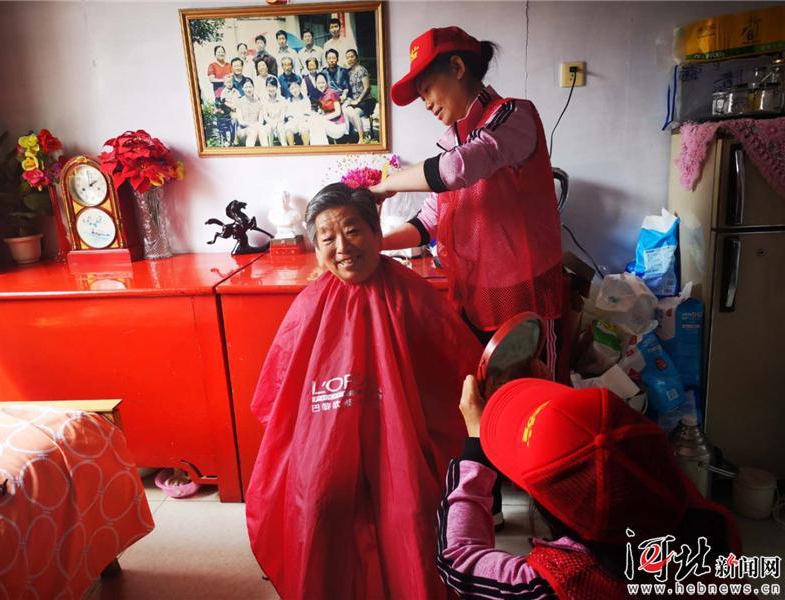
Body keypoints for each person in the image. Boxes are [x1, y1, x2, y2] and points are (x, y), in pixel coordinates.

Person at [245, 183, 482, 600]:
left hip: (404, 439)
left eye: (353, 231)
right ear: (316, 247)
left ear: (376, 233)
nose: (342, 248)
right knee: (316, 504)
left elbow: (459, 374)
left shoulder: (414, 296)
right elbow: (277, 398)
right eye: (327, 238)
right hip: (325, 438)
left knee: (408, 511)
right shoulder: (309, 305)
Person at [437, 376, 747, 599]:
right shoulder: (713, 525)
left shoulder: (562, 584)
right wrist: (559, 412)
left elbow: (459, 559)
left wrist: (475, 448)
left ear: (555, 513)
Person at [369, 27, 563, 355]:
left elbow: (456, 169)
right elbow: (428, 222)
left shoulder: (513, 115)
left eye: (427, 89)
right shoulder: (453, 143)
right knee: (477, 382)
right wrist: (375, 244)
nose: (426, 104)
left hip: (524, 296)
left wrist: (386, 185)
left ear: (457, 68)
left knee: (528, 382)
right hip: (474, 297)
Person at [314, 72, 347, 143]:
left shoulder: (332, 93)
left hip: (338, 125)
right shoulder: (320, 96)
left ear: (326, 83)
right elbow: (323, 113)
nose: (321, 85)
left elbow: (338, 112)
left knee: (318, 122)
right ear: (316, 84)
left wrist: (323, 118)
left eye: (323, 82)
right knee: (314, 121)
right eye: (318, 83)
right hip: (328, 124)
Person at [235, 80, 265, 147]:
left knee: (262, 129)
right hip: (243, 130)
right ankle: (249, 151)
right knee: (252, 131)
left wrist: (255, 126)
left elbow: (261, 121)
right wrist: (251, 125)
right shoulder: (239, 102)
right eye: (246, 87)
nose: (248, 89)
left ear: (253, 88)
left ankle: (266, 151)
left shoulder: (258, 102)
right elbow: (240, 121)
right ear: (242, 88)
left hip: (256, 129)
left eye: (250, 87)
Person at [261, 75, 288, 146]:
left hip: (281, 123)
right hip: (269, 123)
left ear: (276, 87)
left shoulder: (282, 99)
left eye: (273, 86)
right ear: (266, 87)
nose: (271, 89)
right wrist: (272, 123)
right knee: (269, 128)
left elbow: (282, 116)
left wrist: (276, 123)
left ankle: (284, 147)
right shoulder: (263, 100)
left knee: (280, 127)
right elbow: (265, 116)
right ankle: (270, 148)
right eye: (269, 86)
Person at [283, 80, 312, 146]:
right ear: (289, 90)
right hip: (292, 121)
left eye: (296, 87)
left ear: (300, 87)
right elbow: (288, 114)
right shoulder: (288, 101)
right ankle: (292, 148)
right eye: (292, 88)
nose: (295, 90)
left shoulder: (305, 99)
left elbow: (307, 113)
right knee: (288, 130)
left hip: (304, 120)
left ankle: (306, 148)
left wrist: (301, 120)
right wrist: (294, 121)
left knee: (304, 129)